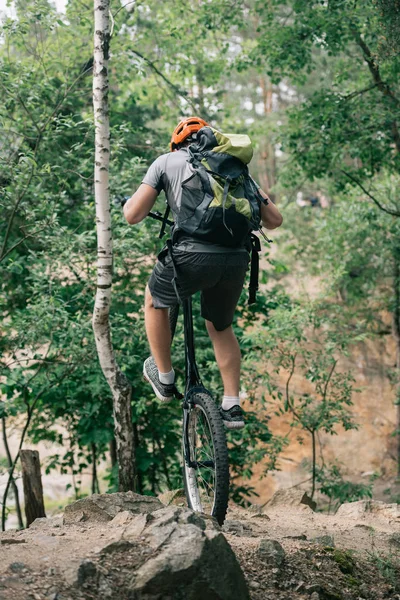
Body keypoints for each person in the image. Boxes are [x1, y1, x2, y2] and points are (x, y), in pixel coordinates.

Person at [123, 117, 283, 429]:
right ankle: (232, 405)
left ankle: (165, 378)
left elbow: (133, 215)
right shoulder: (234, 167)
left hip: (191, 255)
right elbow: (274, 219)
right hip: (237, 258)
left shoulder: (166, 161)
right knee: (220, 327)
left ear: (177, 143)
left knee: (154, 300)